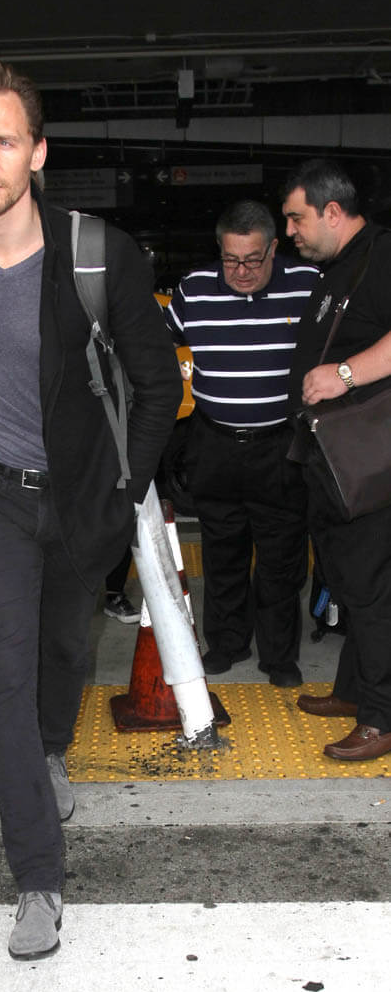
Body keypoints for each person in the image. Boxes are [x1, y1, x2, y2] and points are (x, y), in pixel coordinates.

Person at [0, 58, 181, 960]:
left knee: (64, 652)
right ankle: (37, 878)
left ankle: (51, 750)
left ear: (38, 152)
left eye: (5, 141)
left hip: (83, 495)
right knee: (4, 677)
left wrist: (125, 489)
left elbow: (157, 386)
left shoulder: (98, 254)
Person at [164, 200, 318, 688]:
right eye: (231, 259)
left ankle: (279, 656)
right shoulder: (194, 290)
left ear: (273, 249)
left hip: (280, 445)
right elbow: (149, 342)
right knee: (221, 549)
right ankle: (227, 644)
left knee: (281, 556)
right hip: (215, 444)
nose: (241, 271)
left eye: (253, 259)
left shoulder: (307, 284)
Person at [282, 158, 391, 761]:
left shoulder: (382, 254)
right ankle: (354, 691)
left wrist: (344, 375)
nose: (290, 231)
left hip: (369, 465)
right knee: (350, 580)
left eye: (296, 218)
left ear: (331, 211)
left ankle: (381, 715)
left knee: (373, 591)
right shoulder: (338, 268)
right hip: (334, 461)